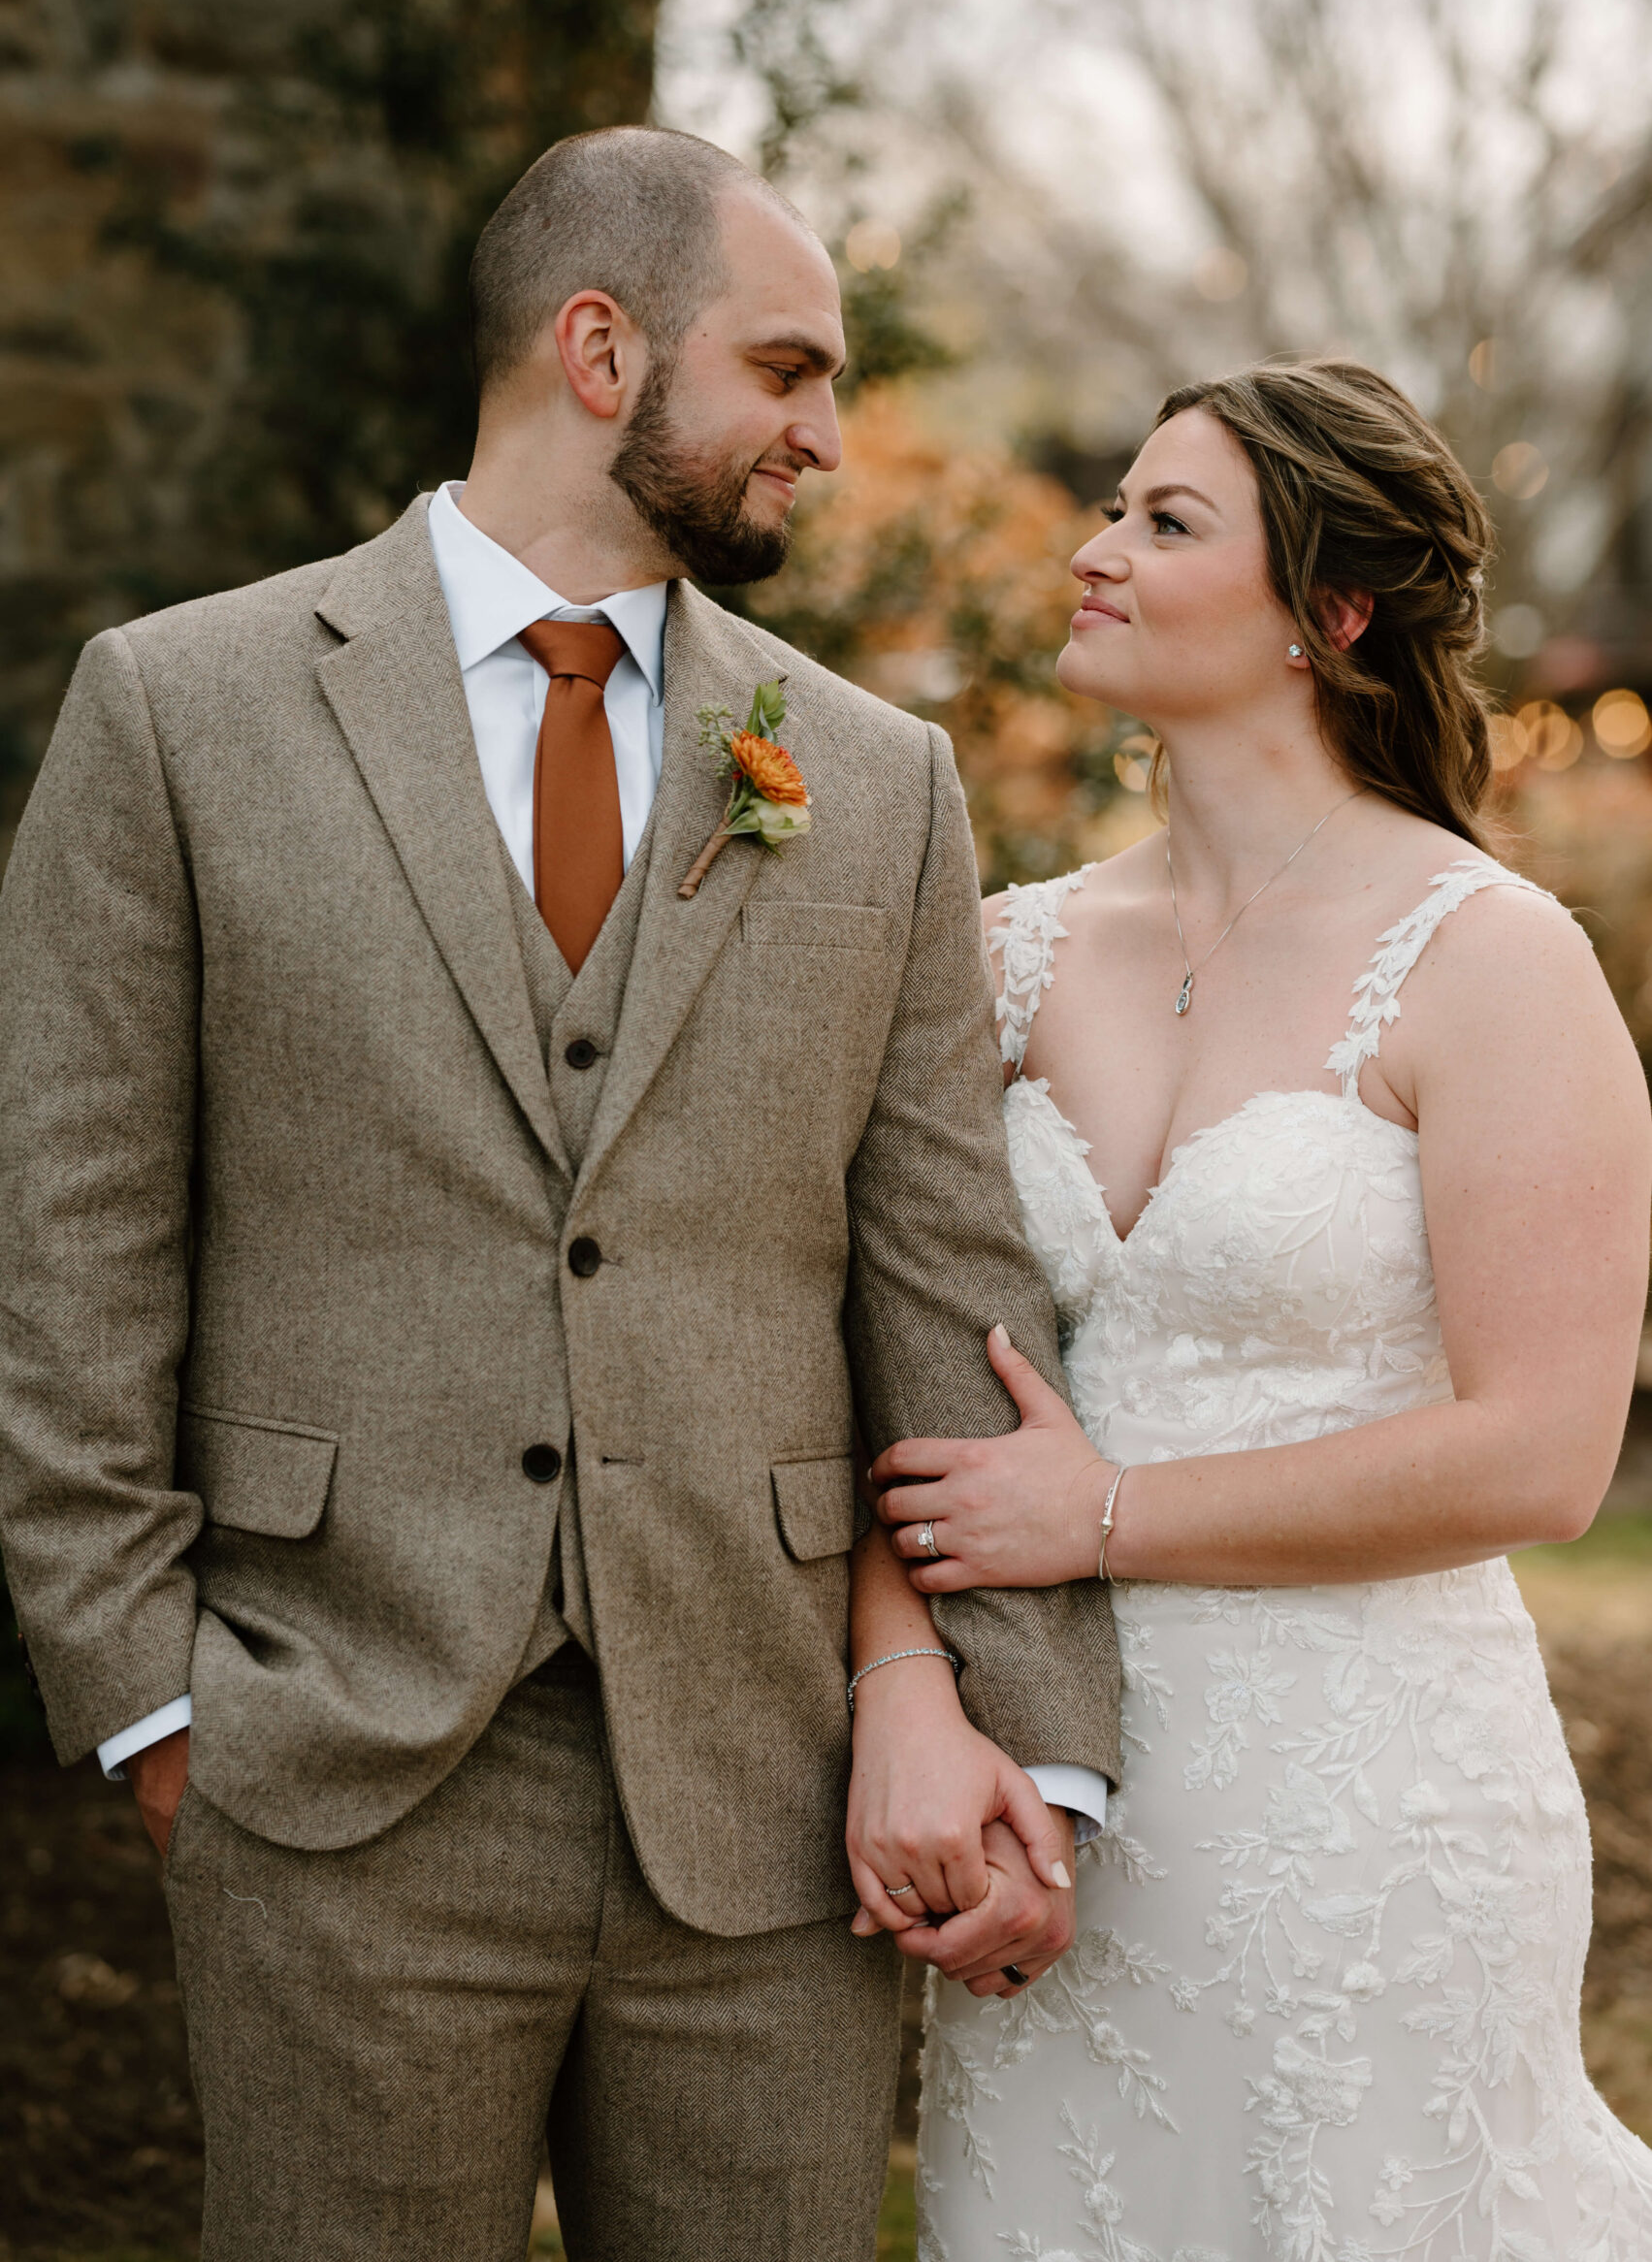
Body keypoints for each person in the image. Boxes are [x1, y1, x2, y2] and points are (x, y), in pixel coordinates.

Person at [0, 126, 1119, 2262]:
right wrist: (155, 1702)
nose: (826, 431)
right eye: (789, 368)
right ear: (599, 348)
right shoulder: (182, 710)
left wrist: (1030, 1743)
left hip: (773, 1802)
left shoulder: (872, 780)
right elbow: (72, 1234)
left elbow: (942, 1279)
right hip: (331, 1775)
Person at [847, 360, 1652, 2257]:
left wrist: (1114, 1510)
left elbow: (1543, 1453)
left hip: (1369, 1812)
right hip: (1049, 1802)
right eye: (1114, 507)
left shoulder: (1491, 960)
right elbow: (867, 1357)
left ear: (1329, 614)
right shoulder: (1002, 946)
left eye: (1165, 520)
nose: (1094, 549)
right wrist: (912, 1693)